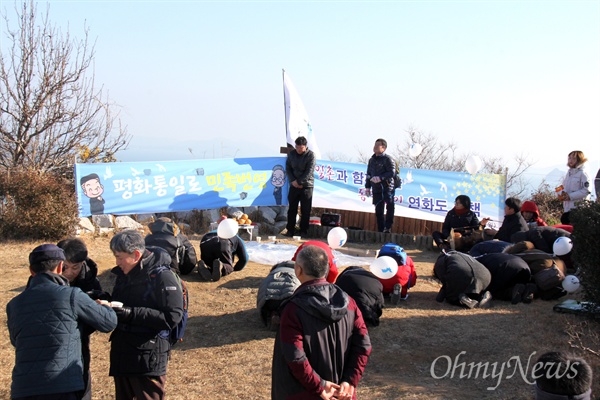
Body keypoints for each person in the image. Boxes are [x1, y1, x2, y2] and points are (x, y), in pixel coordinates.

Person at [7, 244, 117, 400]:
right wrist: (105, 306)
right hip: (62, 384)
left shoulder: (14, 304)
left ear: (31, 271)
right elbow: (109, 322)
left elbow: (15, 340)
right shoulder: (72, 295)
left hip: (23, 387)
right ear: (60, 267)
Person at [271, 245, 371, 399]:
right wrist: (350, 380)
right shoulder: (349, 302)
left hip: (303, 393)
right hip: (340, 393)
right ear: (327, 269)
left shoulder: (293, 309)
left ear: (298, 270)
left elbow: (295, 357)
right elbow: (363, 345)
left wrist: (320, 384)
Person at [108, 230, 184, 400]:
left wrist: (131, 313)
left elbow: (172, 317)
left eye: (120, 257)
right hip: (123, 353)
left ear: (136, 255)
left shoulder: (163, 277)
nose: (117, 262)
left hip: (148, 357)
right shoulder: (124, 275)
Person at [57, 237, 108, 400]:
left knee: (81, 382)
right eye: (64, 267)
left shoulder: (90, 281)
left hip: (79, 341)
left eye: (75, 267)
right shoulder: (44, 276)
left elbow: (95, 318)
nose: (69, 273)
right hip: (51, 340)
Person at [285, 136, 316, 237]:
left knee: (305, 210)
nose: (298, 149)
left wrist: (299, 182)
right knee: (292, 209)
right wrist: (293, 181)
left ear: (305, 147)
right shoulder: (292, 154)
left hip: (307, 186)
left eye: (301, 148)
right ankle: (290, 230)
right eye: (297, 147)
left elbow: (309, 171)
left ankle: (303, 231)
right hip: (293, 185)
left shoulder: (311, 155)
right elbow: (288, 168)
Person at [256, 261, 300, 331]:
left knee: (271, 306)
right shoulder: (298, 273)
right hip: (289, 297)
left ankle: (272, 314)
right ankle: (285, 319)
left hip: (268, 299)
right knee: (289, 307)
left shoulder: (272, 273)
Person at [365, 138, 396, 233]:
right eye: (375, 144)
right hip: (376, 188)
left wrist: (381, 178)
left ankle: (388, 227)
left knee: (389, 207)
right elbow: (369, 173)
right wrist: (367, 187)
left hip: (387, 188)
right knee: (378, 210)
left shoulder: (388, 159)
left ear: (384, 148)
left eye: (378, 145)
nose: (375, 147)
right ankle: (381, 229)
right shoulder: (371, 160)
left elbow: (392, 172)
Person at [559, 150, 591, 225]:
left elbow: (586, 190)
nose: (571, 160)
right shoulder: (569, 173)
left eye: (574, 158)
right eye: (569, 158)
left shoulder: (583, 173)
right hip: (567, 209)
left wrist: (570, 196)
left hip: (578, 210)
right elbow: (563, 186)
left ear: (579, 160)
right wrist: (561, 193)